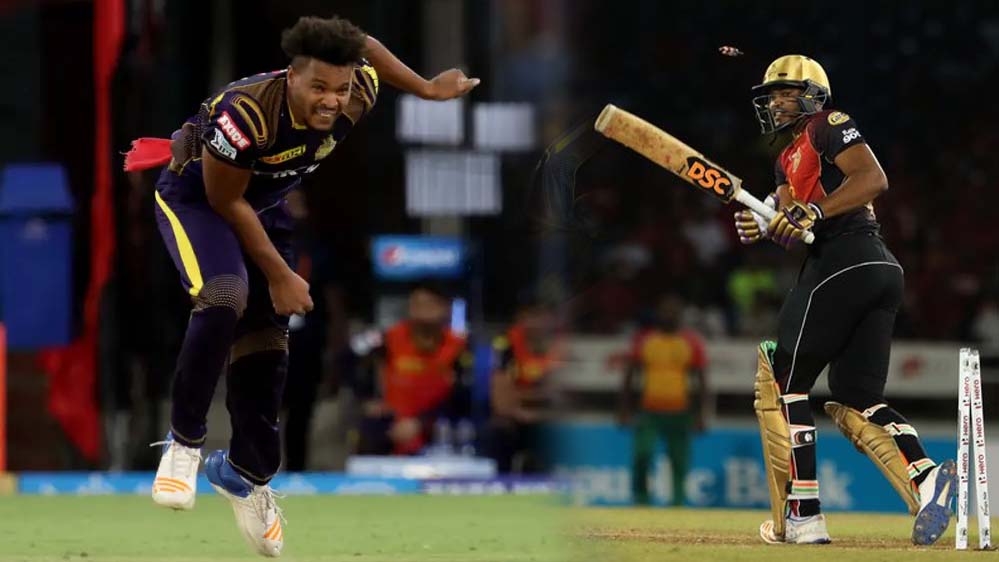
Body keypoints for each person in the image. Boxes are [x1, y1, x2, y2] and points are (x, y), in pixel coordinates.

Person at [126, 16, 479, 557]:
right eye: (318, 88)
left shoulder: (355, 91)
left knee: (267, 341)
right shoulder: (246, 115)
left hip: (264, 208)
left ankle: (246, 476)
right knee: (226, 295)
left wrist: (428, 89)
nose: (331, 101)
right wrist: (280, 273)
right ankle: (184, 443)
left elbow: (365, 46)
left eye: (339, 88)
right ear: (291, 76)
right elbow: (224, 201)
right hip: (199, 202)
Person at [734, 54, 955, 545]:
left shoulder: (827, 124)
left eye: (786, 93)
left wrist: (812, 212)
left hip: (845, 260)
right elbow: (792, 226)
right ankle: (926, 478)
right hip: (875, 271)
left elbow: (873, 179)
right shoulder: (784, 160)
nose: (776, 103)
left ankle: (804, 514)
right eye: (772, 95)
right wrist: (763, 224)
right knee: (859, 397)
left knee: (783, 379)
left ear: (813, 96)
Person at [349, 282, 471, 456]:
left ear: (445, 308)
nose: (423, 310)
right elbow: (351, 355)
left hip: (437, 424)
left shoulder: (460, 347)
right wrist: (367, 399)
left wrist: (421, 423)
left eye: (430, 304)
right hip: (392, 423)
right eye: (418, 304)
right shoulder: (387, 338)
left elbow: (463, 393)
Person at [616, 293, 707, 506]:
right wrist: (624, 410)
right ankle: (641, 499)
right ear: (658, 314)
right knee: (642, 455)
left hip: (680, 411)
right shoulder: (645, 340)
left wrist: (700, 415)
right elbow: (630, 376)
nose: (669, 315)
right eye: (665, 311)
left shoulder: (691, 342)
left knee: (679, 460)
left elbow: (701, 381)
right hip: (649, 411)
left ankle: (677, 503)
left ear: (680, 315)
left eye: (673, 312)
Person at [487, 295, 564, 473]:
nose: (536, 323)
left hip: (549, 420)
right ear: (519, 318)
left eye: (541, 316)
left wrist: (535, 406)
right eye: (530, 316)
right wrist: (523, 406)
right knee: (501, 427)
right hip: (517, 419)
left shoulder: (563, 346)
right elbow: (501, 401)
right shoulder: (505, 344)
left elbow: (564, 397)